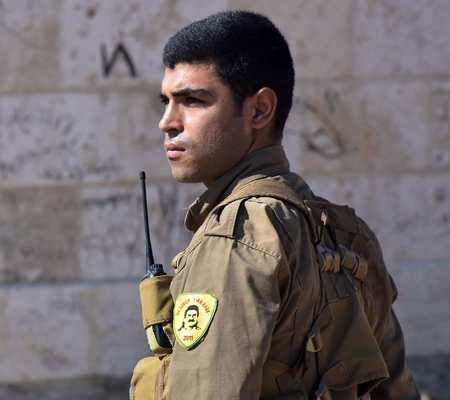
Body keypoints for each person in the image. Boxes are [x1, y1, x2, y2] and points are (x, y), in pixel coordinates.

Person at [132, 10, 421, 400]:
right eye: (166, 102)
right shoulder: (346, 232)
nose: (167, 122)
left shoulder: (237, 235)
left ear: (259, 110)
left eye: (193, 101)